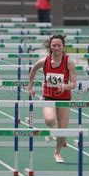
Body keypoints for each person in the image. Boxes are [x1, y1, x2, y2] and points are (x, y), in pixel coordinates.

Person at [28, 34, 77, 163]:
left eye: (59, 45)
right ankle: (54, 132)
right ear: (50, 47)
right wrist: (30, 86)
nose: (56, 48)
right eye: (54, 45)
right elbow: (33, 70)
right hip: (48, 96)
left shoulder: (69, 62)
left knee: (63, 129)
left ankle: (57, 152)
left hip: (64, 98)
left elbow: (74, 84)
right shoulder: (44, 61)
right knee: (49, 120)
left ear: (64, 47)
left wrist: (65, 86)